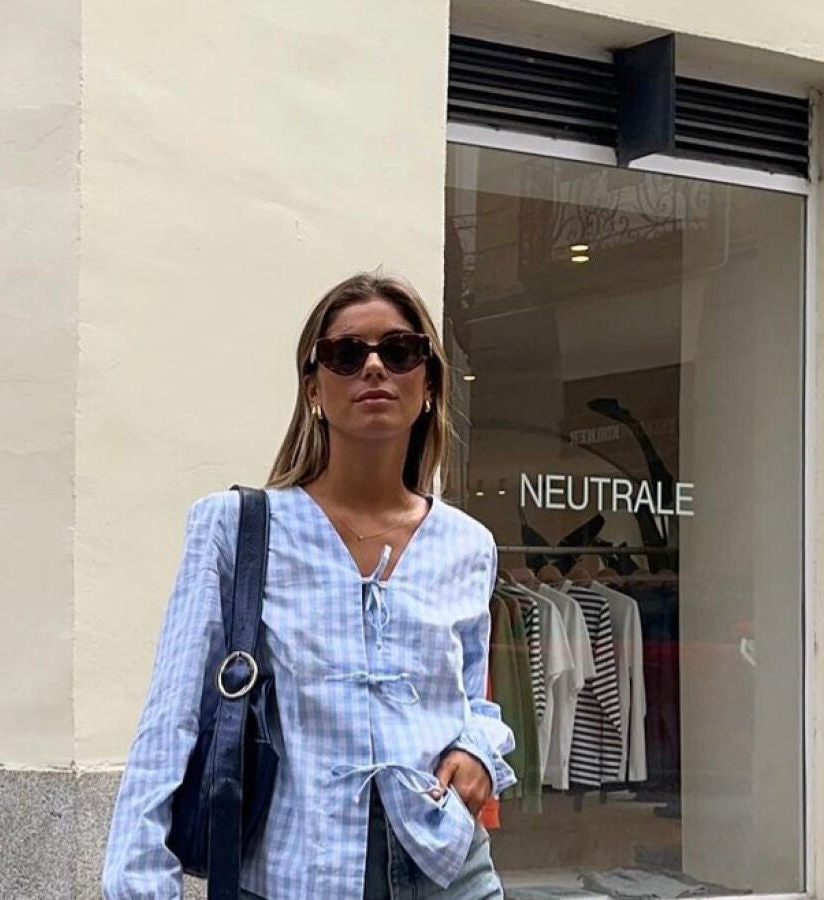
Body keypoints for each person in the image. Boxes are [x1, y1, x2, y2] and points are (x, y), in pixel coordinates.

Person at [103, 272, 515, 899]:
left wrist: (480, 750)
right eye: (346, 354)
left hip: (448, 869)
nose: (373, 367)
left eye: (399, 351)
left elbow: (468, 700)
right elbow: (171, 717)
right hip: (297, 874)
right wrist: (139, 884)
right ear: (314, 388)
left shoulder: (468, 544)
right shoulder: (238, 527)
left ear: (429, 382)